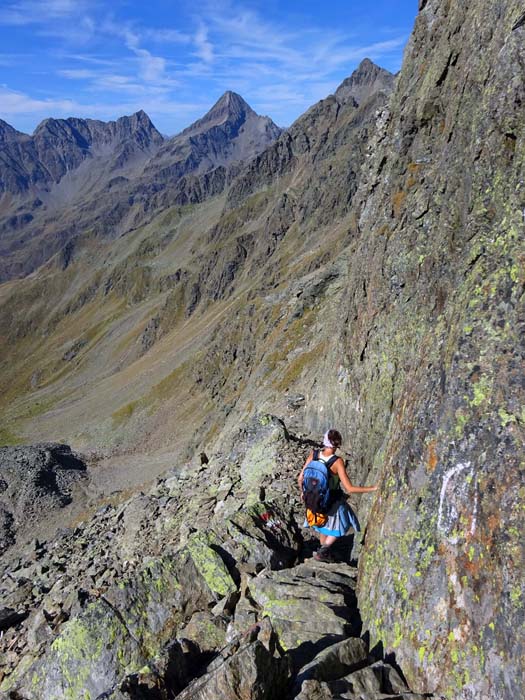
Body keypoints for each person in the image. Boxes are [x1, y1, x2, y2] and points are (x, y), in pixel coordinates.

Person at [298, 428, 378, 562]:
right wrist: (373, 488)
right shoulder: (337, 461)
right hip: (332, 499)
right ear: (338, 443)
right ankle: (324, 550)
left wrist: (303, 493)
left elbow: (300, 478)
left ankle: (322, 551)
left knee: (323, 525)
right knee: (344, 522)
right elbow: (349, 489)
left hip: (312, 497)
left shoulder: (314, 454)